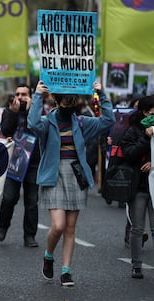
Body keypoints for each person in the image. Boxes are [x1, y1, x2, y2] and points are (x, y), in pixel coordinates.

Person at [27, 81, 115, 286]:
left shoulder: (83, 122)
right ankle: (48, 256)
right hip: (53, 175)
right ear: (57, 102)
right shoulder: (46, 123)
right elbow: (31, 123)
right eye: (66, 102)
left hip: (76, 176)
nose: (70, 105)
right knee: (57, 226)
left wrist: (101, 93)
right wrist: (38, 95)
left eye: (73, 102)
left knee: (70, 227)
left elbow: (109, 120)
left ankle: (66, 271)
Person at [0, 84, 41, 248]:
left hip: (33, 162)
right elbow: (6, 131)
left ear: (31, 96)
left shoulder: (37, 111)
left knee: (31, 201)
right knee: (9, 198)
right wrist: (14, 114)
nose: (20, 97)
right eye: (18, 94)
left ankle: (29, 236)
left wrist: (31, 110)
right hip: (14, 162)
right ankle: (3, 225)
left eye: (24, 94)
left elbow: (36, 128)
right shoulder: (8, 112)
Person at [120, 95, 154, 279]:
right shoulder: (133, 131)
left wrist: (152, 163)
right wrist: (144, 139)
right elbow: (129, 154)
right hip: (139, 185)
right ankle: (136, 265)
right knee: (138, 228)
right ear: (145, 112)